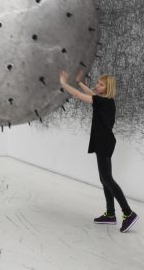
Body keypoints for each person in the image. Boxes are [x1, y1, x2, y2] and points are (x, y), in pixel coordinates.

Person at [59, 69, 139, 233]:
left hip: (104, 143)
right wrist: (80, 83)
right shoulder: (104, 100)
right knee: (104, 179)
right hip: (103, 142)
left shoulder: (104, 102)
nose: (97, 85)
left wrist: (64, 84)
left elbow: (81, 96)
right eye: (97, 83)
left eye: (101, 84)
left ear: (107, 87)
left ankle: (128, 213)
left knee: (107, 178)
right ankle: (110, 214)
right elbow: (90, 94)